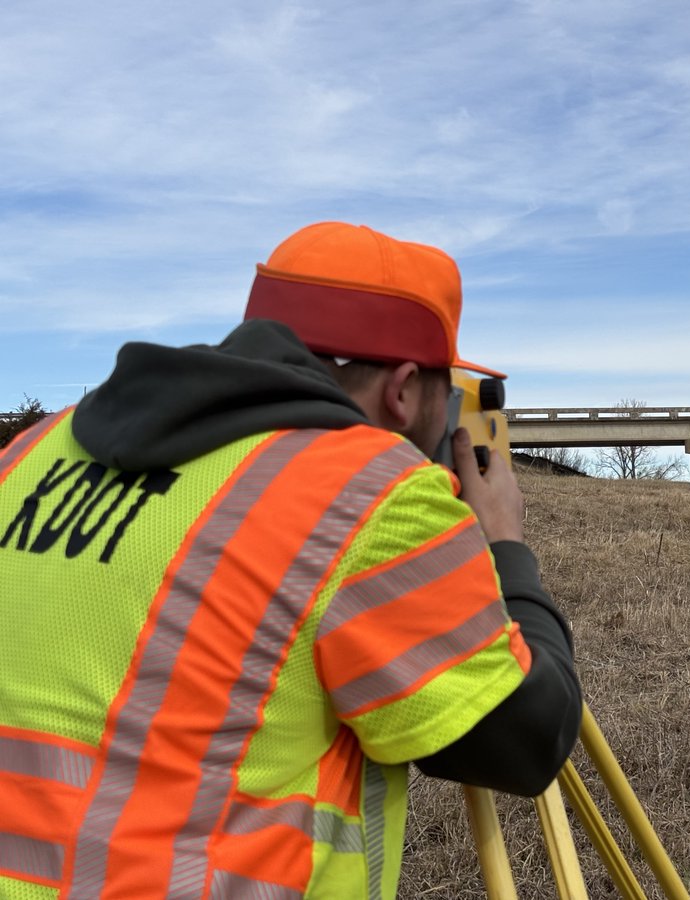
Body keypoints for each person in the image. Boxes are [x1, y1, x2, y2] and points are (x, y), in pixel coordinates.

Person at [0, 222, 582, 898]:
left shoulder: (31, 454)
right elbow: (522, 741)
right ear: (402, 391)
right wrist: (506, 546)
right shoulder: (369, 494)